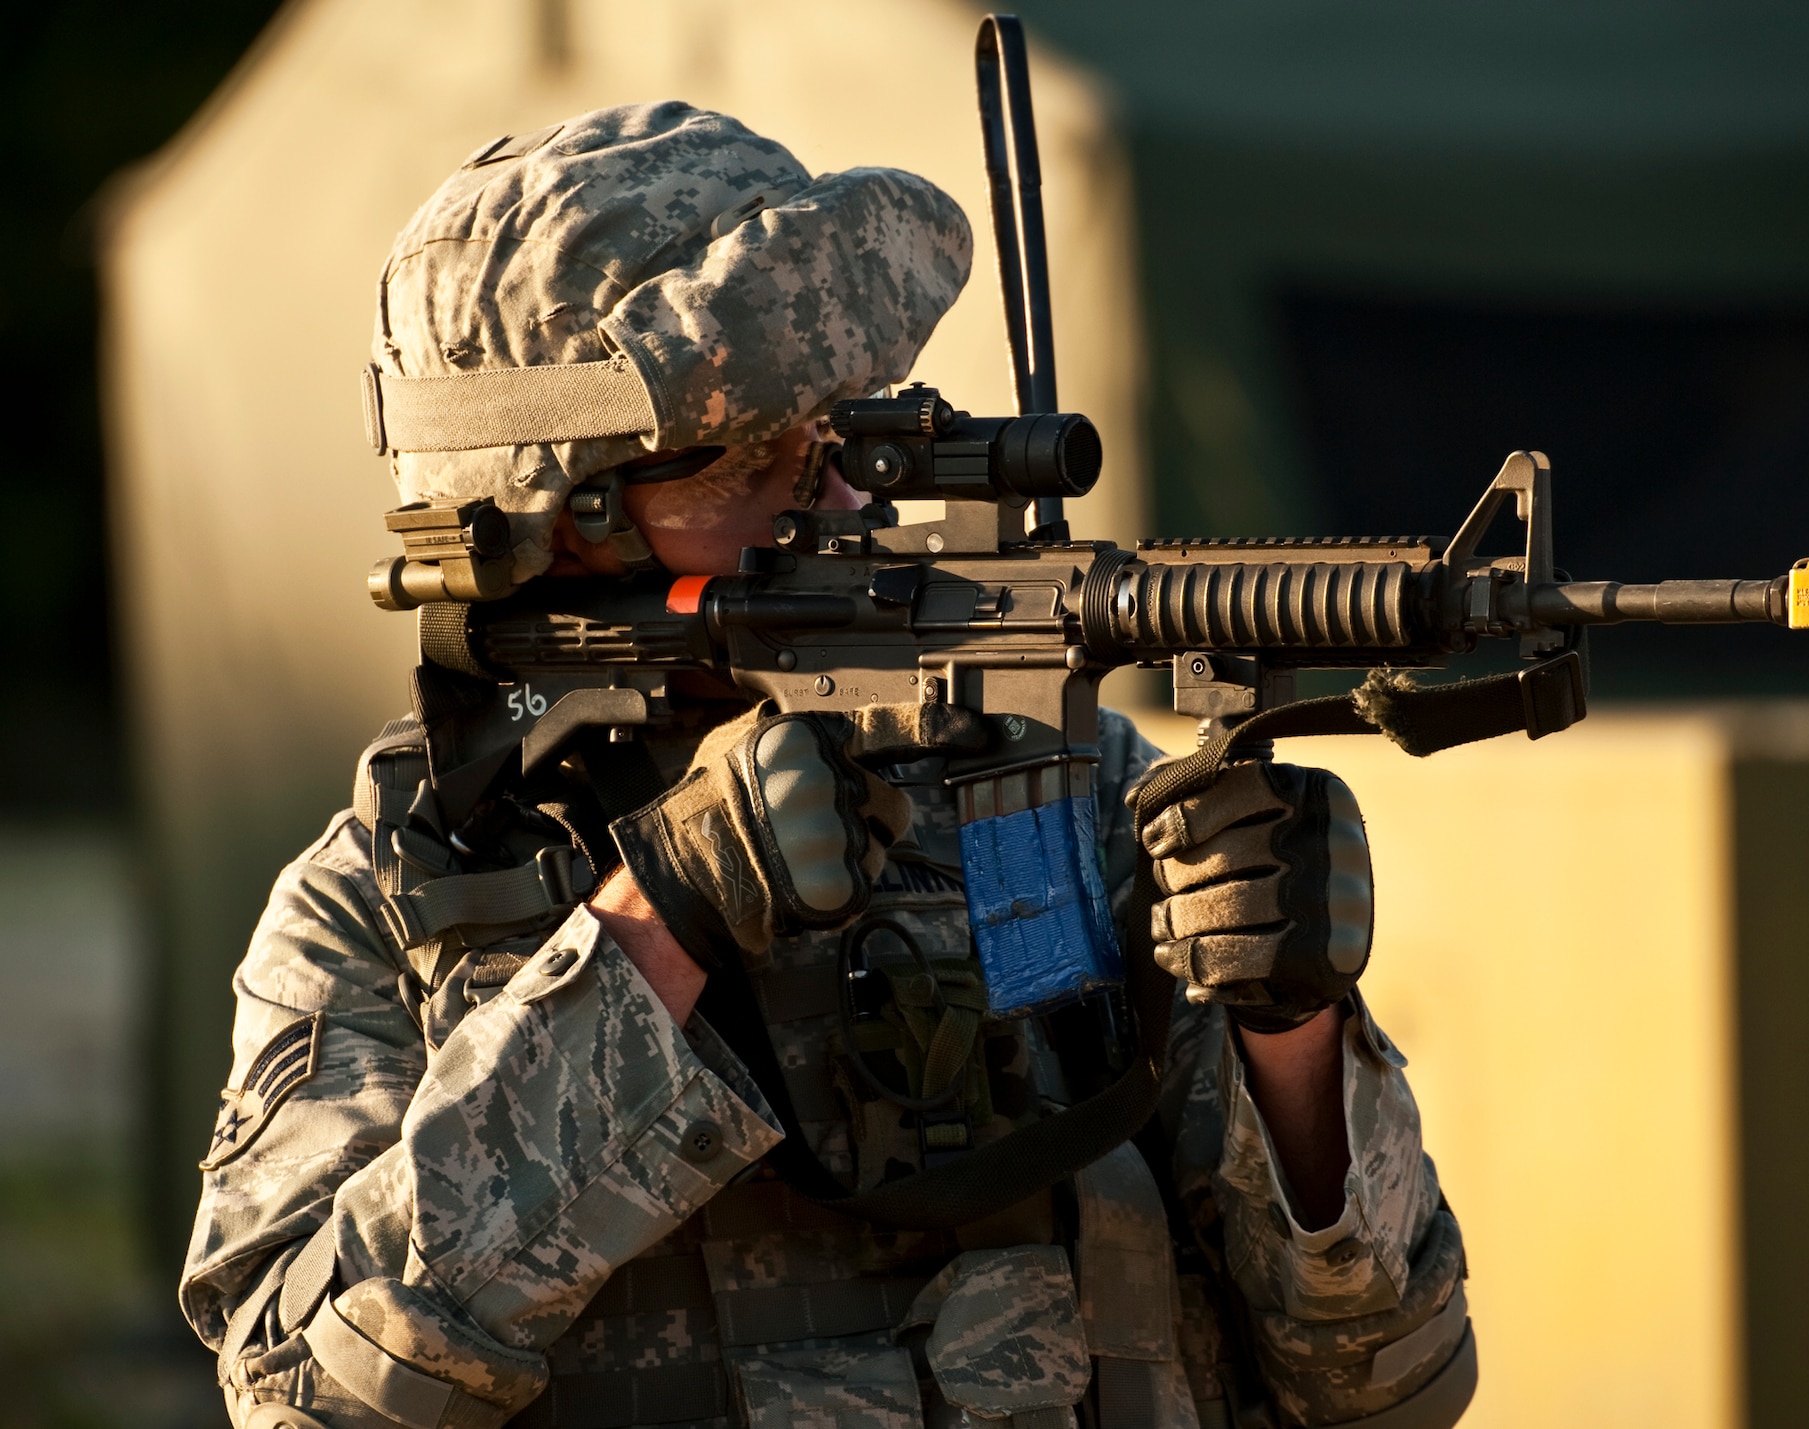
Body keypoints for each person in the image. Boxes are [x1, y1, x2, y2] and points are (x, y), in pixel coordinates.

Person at [180, 102, 1474, 1429]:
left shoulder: (1050, 798)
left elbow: (1389, 1384)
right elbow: (300, 1402)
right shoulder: (392, 898)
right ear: (556, 517)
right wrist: (659, 921)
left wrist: (1291, 1031)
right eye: (756, 451)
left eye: (843, 430)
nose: (847, 499)